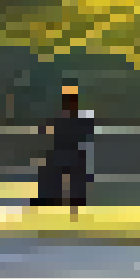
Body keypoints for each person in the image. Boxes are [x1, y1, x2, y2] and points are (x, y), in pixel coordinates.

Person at [37, 84, 96, 220]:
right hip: (62, 153)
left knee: (76, 177)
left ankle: (74, 202)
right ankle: (50, 199)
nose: (68, 102)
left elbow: (86, 139)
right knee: (51, 173)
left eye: (70, 98)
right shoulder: (59, 117)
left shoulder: (83, 117)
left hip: (74, 153)